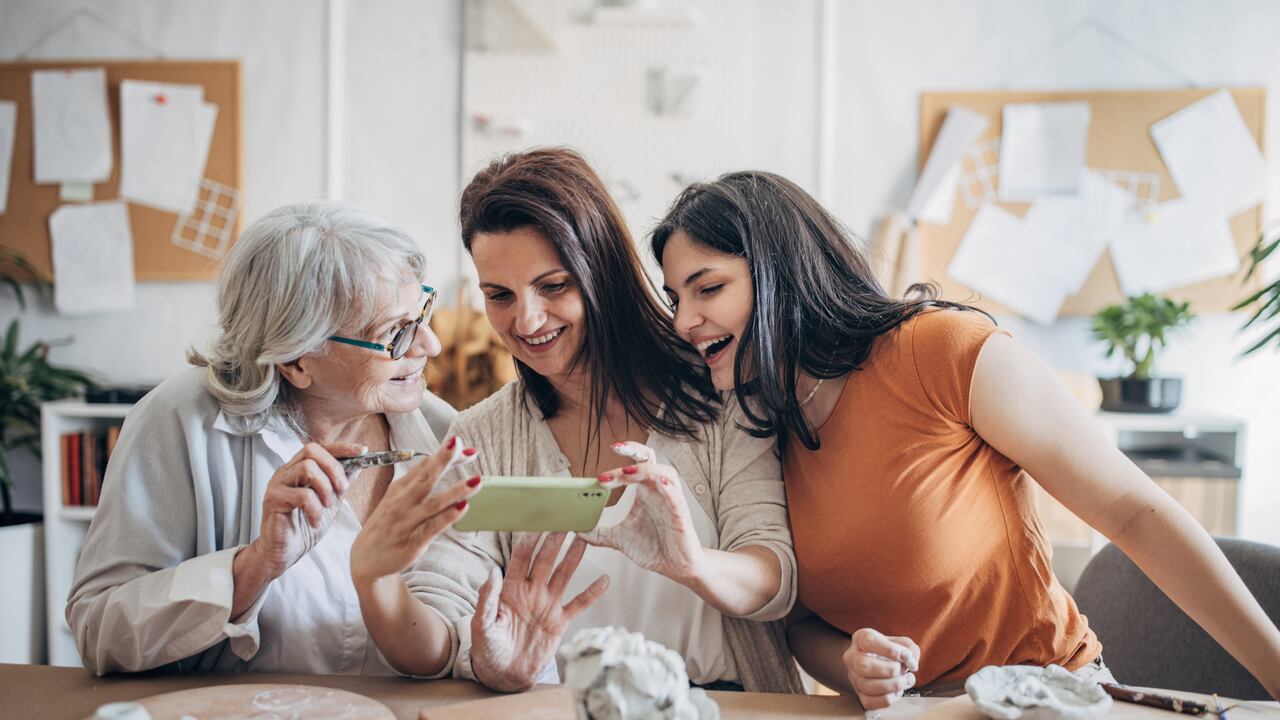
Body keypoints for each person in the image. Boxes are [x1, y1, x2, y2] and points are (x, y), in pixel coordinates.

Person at [650, 170, 1280, 708]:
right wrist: (853, 665)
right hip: (910, 716)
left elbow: (1134, 512)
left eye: (709, 288)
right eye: (676, 298)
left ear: (781, 273)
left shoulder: (940, 352)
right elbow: (800, 622)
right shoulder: (762, 422)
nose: (684, 321)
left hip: (1042, 700)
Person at [358, 147, 803, 694]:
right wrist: (394, 594)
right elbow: (439, 630)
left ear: (603, 273)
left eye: (553, 286)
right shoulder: (480, 438)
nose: (527, 320)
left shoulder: (721, 389)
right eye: (500, 295)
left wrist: (692, 563)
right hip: (561, 708)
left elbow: (775, 575)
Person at [66, 201, 488, 675]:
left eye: (422, 312)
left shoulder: (443, 432)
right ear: (296, 361)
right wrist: (255, 565)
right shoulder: (179, 422)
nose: (430, 345)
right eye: (395, 333)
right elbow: (99, 632)